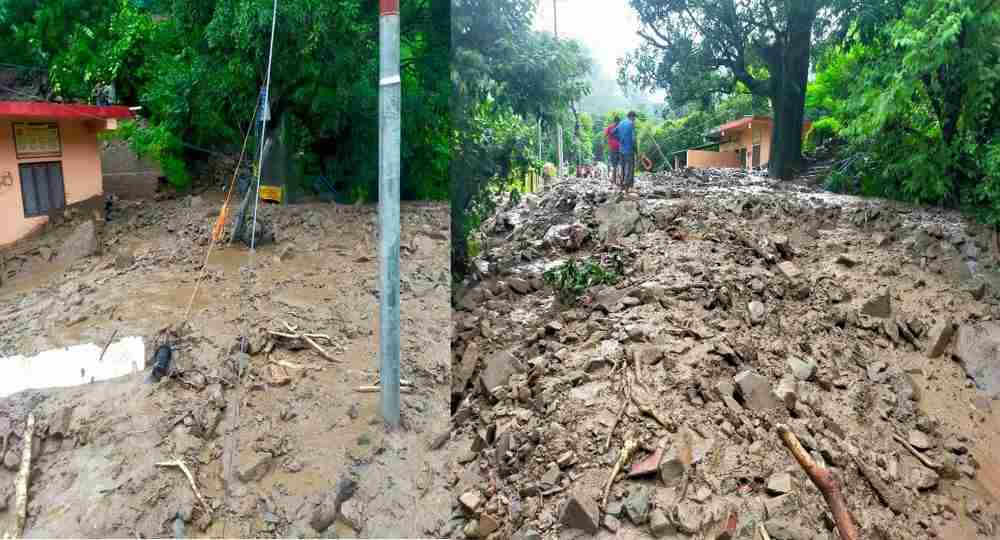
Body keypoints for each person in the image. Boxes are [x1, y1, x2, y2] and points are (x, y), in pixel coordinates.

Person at [614, 111, 637, 192]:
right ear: (632, 117)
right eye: (634, 118)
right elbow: (634, 138)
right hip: (629, 149)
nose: (634, 120)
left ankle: (622, 185)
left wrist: (620, 139)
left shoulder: (620, 123)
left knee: (623, 167)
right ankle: (627, 186)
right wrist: (636, 149)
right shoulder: (631, 124)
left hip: (621, 149)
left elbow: (613, 133)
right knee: (630, 168)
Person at [604, 114, 622, 186]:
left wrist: (610, 137)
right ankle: (619, 181)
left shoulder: (609, 127)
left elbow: (605, 135)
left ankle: (615, 181)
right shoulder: (621, 127)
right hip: (620, 148)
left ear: (614, 121)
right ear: (619, 121)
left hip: (613, 148)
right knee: (620, 165)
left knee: (615, 166)